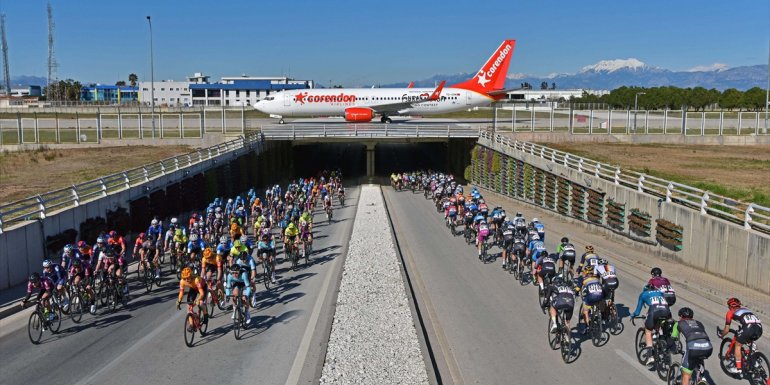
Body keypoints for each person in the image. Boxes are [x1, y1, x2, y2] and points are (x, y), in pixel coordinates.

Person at [718, 298, 763, 375]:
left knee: (738, 345)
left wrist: (721, 335)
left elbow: (726, 330)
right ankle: (756, 358)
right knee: (749, 339)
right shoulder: (746, 310)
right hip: (759, 328)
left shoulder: (730, 312)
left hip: (748, 328)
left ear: (730, 306)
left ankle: (738, 369)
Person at [632, 283, 672, 365]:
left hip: (654, 312)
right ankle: (662, 343)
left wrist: (633, 315)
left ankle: (650, 356)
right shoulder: (660, 292)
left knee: (648, 331)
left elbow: (637, 311)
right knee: (659, 327)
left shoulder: (643, 294)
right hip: (667, 311)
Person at [672, 307, 713, 384]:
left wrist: (673, 348)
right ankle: (701, 378)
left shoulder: (678, 323)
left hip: (693, 349)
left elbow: (673, 337)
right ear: (692, 317)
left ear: (680, 317)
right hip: (708, 348)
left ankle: (699, 379)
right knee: (700, 356)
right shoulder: (699, 323)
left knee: (686, 375)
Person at [576, 268, 605, 335]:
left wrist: (576, 293)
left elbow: (577, 289)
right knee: (599, 302)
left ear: (585, 272)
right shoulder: (597, 278)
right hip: (600, 295)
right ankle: (600, 317)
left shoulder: (583, 278)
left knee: (585, 310)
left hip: (591, 296)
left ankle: (587, 327)